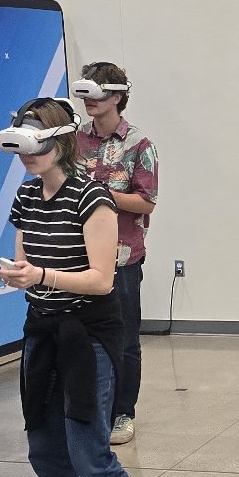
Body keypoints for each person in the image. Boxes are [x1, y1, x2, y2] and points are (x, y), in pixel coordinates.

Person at [0, 96, 167, 477]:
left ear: (59, 142)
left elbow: (102, 281)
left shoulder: (93, 199)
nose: (27, 158)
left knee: (89, 453)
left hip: (88, 335)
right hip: (42, 331)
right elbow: (23, 274)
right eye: (19, 149)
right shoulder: (26, 198)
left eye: (34, 146)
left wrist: (40, 275)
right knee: (44, 449)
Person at [72, 61, 159, 447]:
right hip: (79, 258)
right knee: (84, 337)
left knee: (123, 340)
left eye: (98, 93)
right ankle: (91, 409)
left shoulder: (139, 144)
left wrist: (100, 194)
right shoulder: (74, 139)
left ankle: (123, 412)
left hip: (123, 259)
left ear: (118, 97)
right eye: (85, 92)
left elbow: (146, 202)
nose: (90, 101)